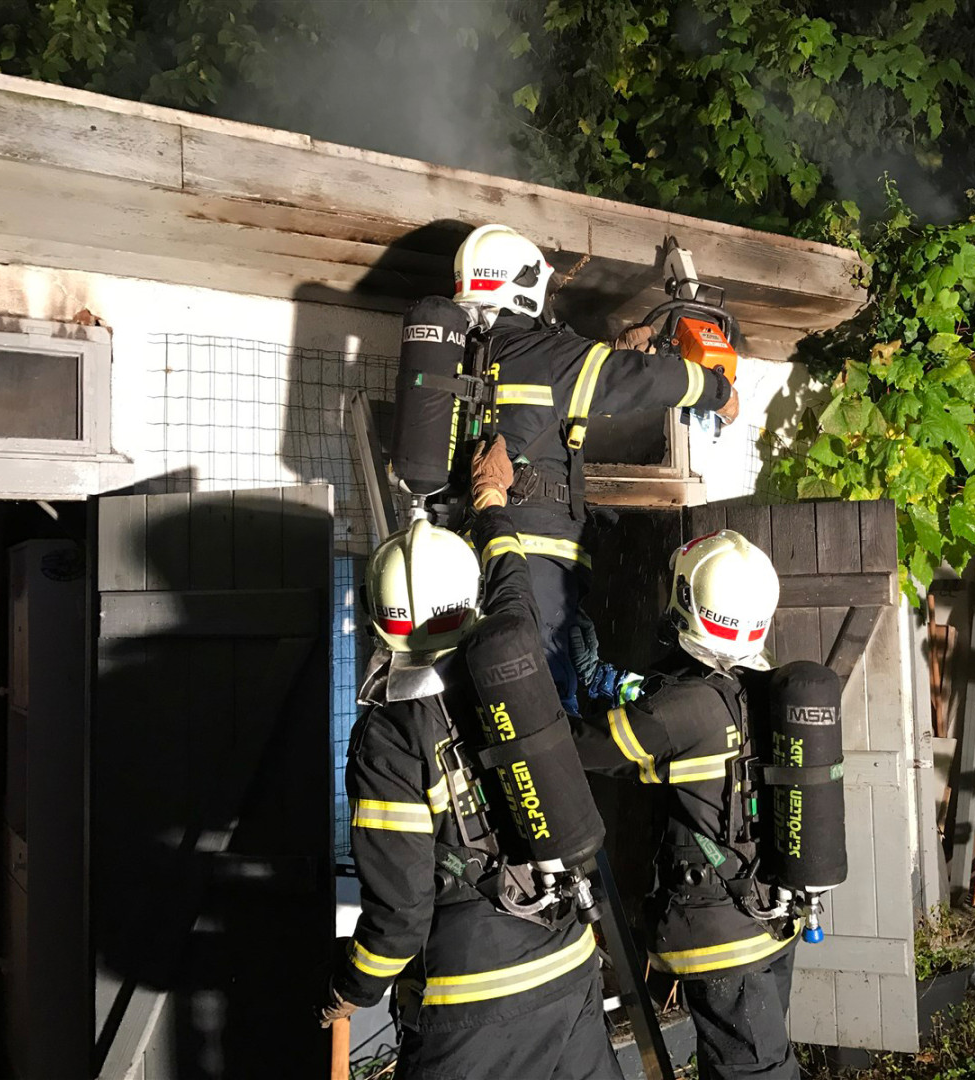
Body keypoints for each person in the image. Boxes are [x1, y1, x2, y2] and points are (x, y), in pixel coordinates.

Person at [319, 436, 621, 1080]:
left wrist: (351, 990)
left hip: (475, 1002)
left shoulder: (390, 736)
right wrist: (490, 498)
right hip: (568, 960)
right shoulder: (515, 663)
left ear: (379, 620)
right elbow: (512, 578)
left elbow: (399, 917)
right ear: (472, 601)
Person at [450, 223, 739, 713]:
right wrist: (720, 392)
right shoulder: (547, 355)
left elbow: (553, 403)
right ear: (523, 288)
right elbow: (642, 381)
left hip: (486, 551)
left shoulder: (470, 359)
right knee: (542, 708)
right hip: (535, 558)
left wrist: (614, 354)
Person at [569, 529, 804, 1080]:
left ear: (686, 604)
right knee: (751, 1061)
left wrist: (531, 695)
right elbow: (665, 706)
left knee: (755, 1073)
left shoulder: (686, 707)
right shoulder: (760, 687)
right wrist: (611, 681)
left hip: (723, 933)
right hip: (771, 916)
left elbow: (585, 748)